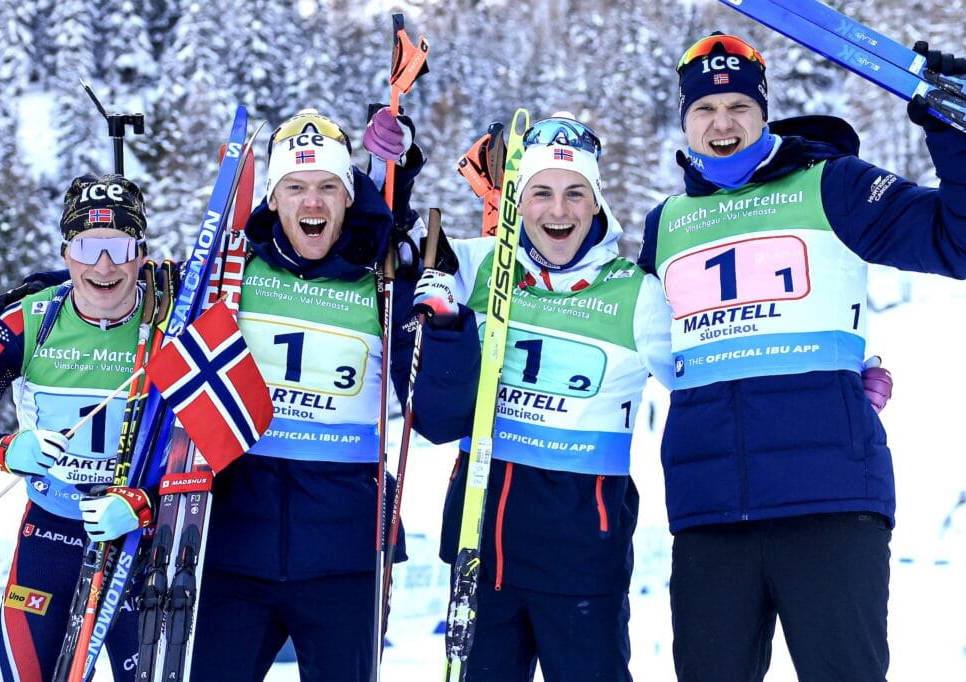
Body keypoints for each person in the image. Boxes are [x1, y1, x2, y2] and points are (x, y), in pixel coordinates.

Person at [637, 32, 966, 681]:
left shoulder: (832, 186)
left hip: (831, 505)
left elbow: (954, 242)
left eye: (738, 106)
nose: (722, 123)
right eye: (705, 109)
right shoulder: (665, 222)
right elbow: (640, 343)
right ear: (684, 119)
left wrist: (953, 133)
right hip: (710, 512)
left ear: (765, 111)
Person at [401, 113, 676, 682]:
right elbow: (433, 414)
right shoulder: (476, 267)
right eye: (542, 193)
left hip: (582, 559)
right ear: (517, 204)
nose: (558, 210)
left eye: (576, 193)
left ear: (597, 203)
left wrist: (834, 383)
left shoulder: (638, 295)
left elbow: (706, 379)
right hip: (482, 547)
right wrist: (398, 168)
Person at [189, 106, 422, 682]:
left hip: (346, 552)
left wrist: (403, 169)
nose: (311, 202)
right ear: (273, 199)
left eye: (327, 187)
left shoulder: (383, 276)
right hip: (233, 546)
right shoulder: (232, 273)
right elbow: (139, 298)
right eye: (295, 187)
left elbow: (436, 404)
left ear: (349, 196)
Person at [0, 174, 161, 681]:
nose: (103, 266)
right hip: (50, 535)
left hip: (138, 542)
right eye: (87, 246)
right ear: (66, 253)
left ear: (141, 254)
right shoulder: (28, 322)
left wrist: (144, 502)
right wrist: (3, 450)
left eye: (120, 246)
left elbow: (210, 449)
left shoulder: (169, 321)